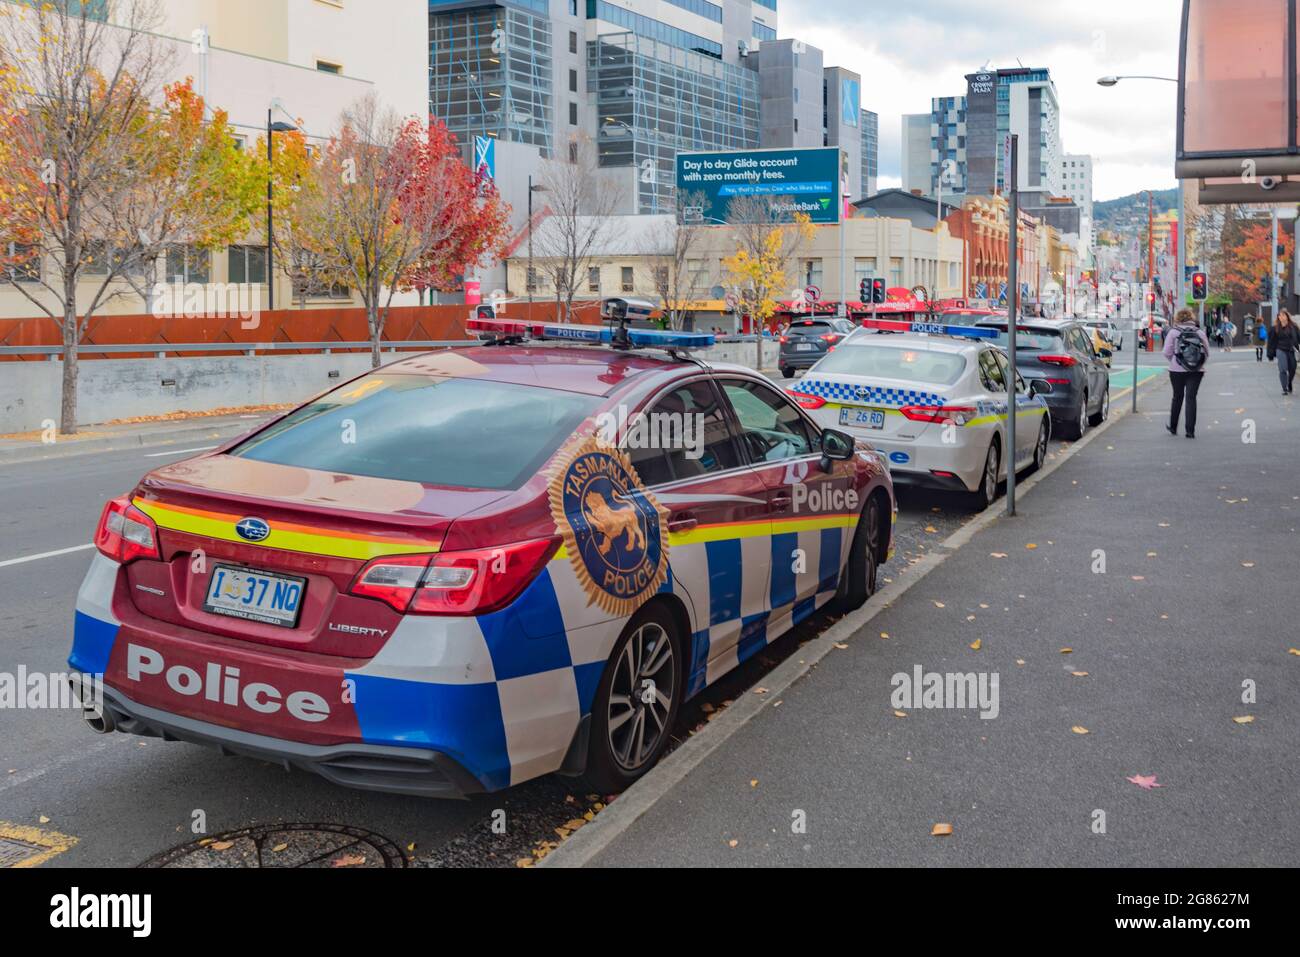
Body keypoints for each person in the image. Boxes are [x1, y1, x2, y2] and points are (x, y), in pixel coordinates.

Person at [1163, 307, 1210, 438]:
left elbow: (1166, 352)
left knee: (1177, 397)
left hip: (1176, 370)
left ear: (1177, 318)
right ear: (1191, 318)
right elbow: (1206, 352)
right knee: (1191, 398)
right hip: (1196, 371)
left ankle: (1173, 427)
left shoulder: (1173, 332)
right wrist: (1198, 364)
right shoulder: (1199, 332)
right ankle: (1190, 431)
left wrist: (1175, 361)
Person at [1267, 309, 1300, 395]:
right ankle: (1284, 388)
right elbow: (1271, 342)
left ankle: (1289, 383)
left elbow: (1298, 338)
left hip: (1291, 350)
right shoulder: (1274, 328)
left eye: (1283, 315)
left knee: (1292, 369)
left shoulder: (1294, 327)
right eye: (1279, 315)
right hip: (1280, 350)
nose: (1281, 317)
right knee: (1283, 368)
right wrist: (1270, 354)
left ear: (1287, 316)